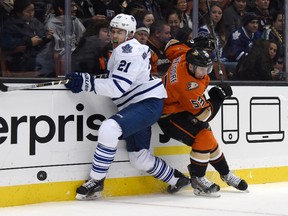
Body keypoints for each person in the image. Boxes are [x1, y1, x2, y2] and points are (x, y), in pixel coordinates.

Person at [64, 13, 190, 200]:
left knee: (109, 128)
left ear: (130, 34)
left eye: (120, 32)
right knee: (139, 158)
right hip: (139, 104)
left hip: (146, 104)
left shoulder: (128, 50)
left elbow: (117, 87)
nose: (115, 36)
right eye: (112, 31)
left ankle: (96, 181)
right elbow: (122, 80)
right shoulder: (127, 48)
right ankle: (175, 179)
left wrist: (86, 82)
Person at [158, 41, 248, 196]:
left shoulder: (183, 54)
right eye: (202, 69)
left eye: (207, 68)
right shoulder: (186, 86)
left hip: (180, 108)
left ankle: (225, 174)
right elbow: (204, 115)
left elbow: (171, 44)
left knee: (209, 140)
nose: (205, 73)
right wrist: (218, 98)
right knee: (204, 135)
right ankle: (198, 178)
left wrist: (196, 45)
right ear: (191, 67)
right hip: (169, 116)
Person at [0, 0, 54, 77]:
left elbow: (41, 35)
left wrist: (47, 37)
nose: (31, 14)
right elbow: (5, 43)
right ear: (19, 13)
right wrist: (28, 42)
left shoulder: (34, 21)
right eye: (28, 11)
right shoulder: (10, 25)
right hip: (21, 60)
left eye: (33, 10)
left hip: (39, 56)